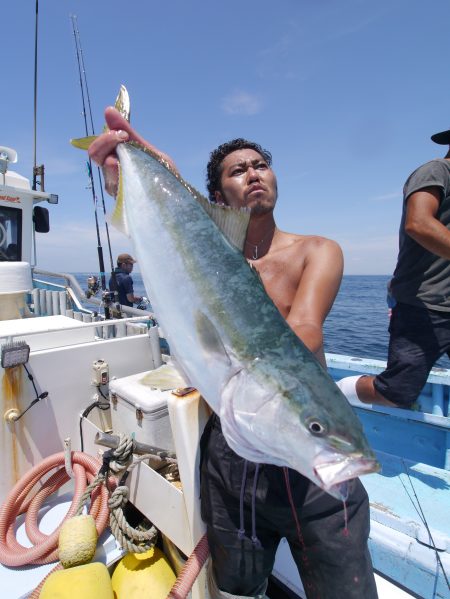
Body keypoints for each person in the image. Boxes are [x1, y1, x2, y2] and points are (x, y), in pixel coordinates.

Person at [89, 107, 378, 599]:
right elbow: (169, 234)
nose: (253, 173)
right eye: (237, 170)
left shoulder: (318, 250)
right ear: (219, 195)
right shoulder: (201, 248)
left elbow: (303, 331)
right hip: (232, 453)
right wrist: (141, 178)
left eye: (260, 163)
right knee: (236, 588)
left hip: (305, 464)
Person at [338, 127, 450, 410]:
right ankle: (334, 390)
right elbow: (418, 223)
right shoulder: (436, 171)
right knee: (395, 394)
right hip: (422, 306)